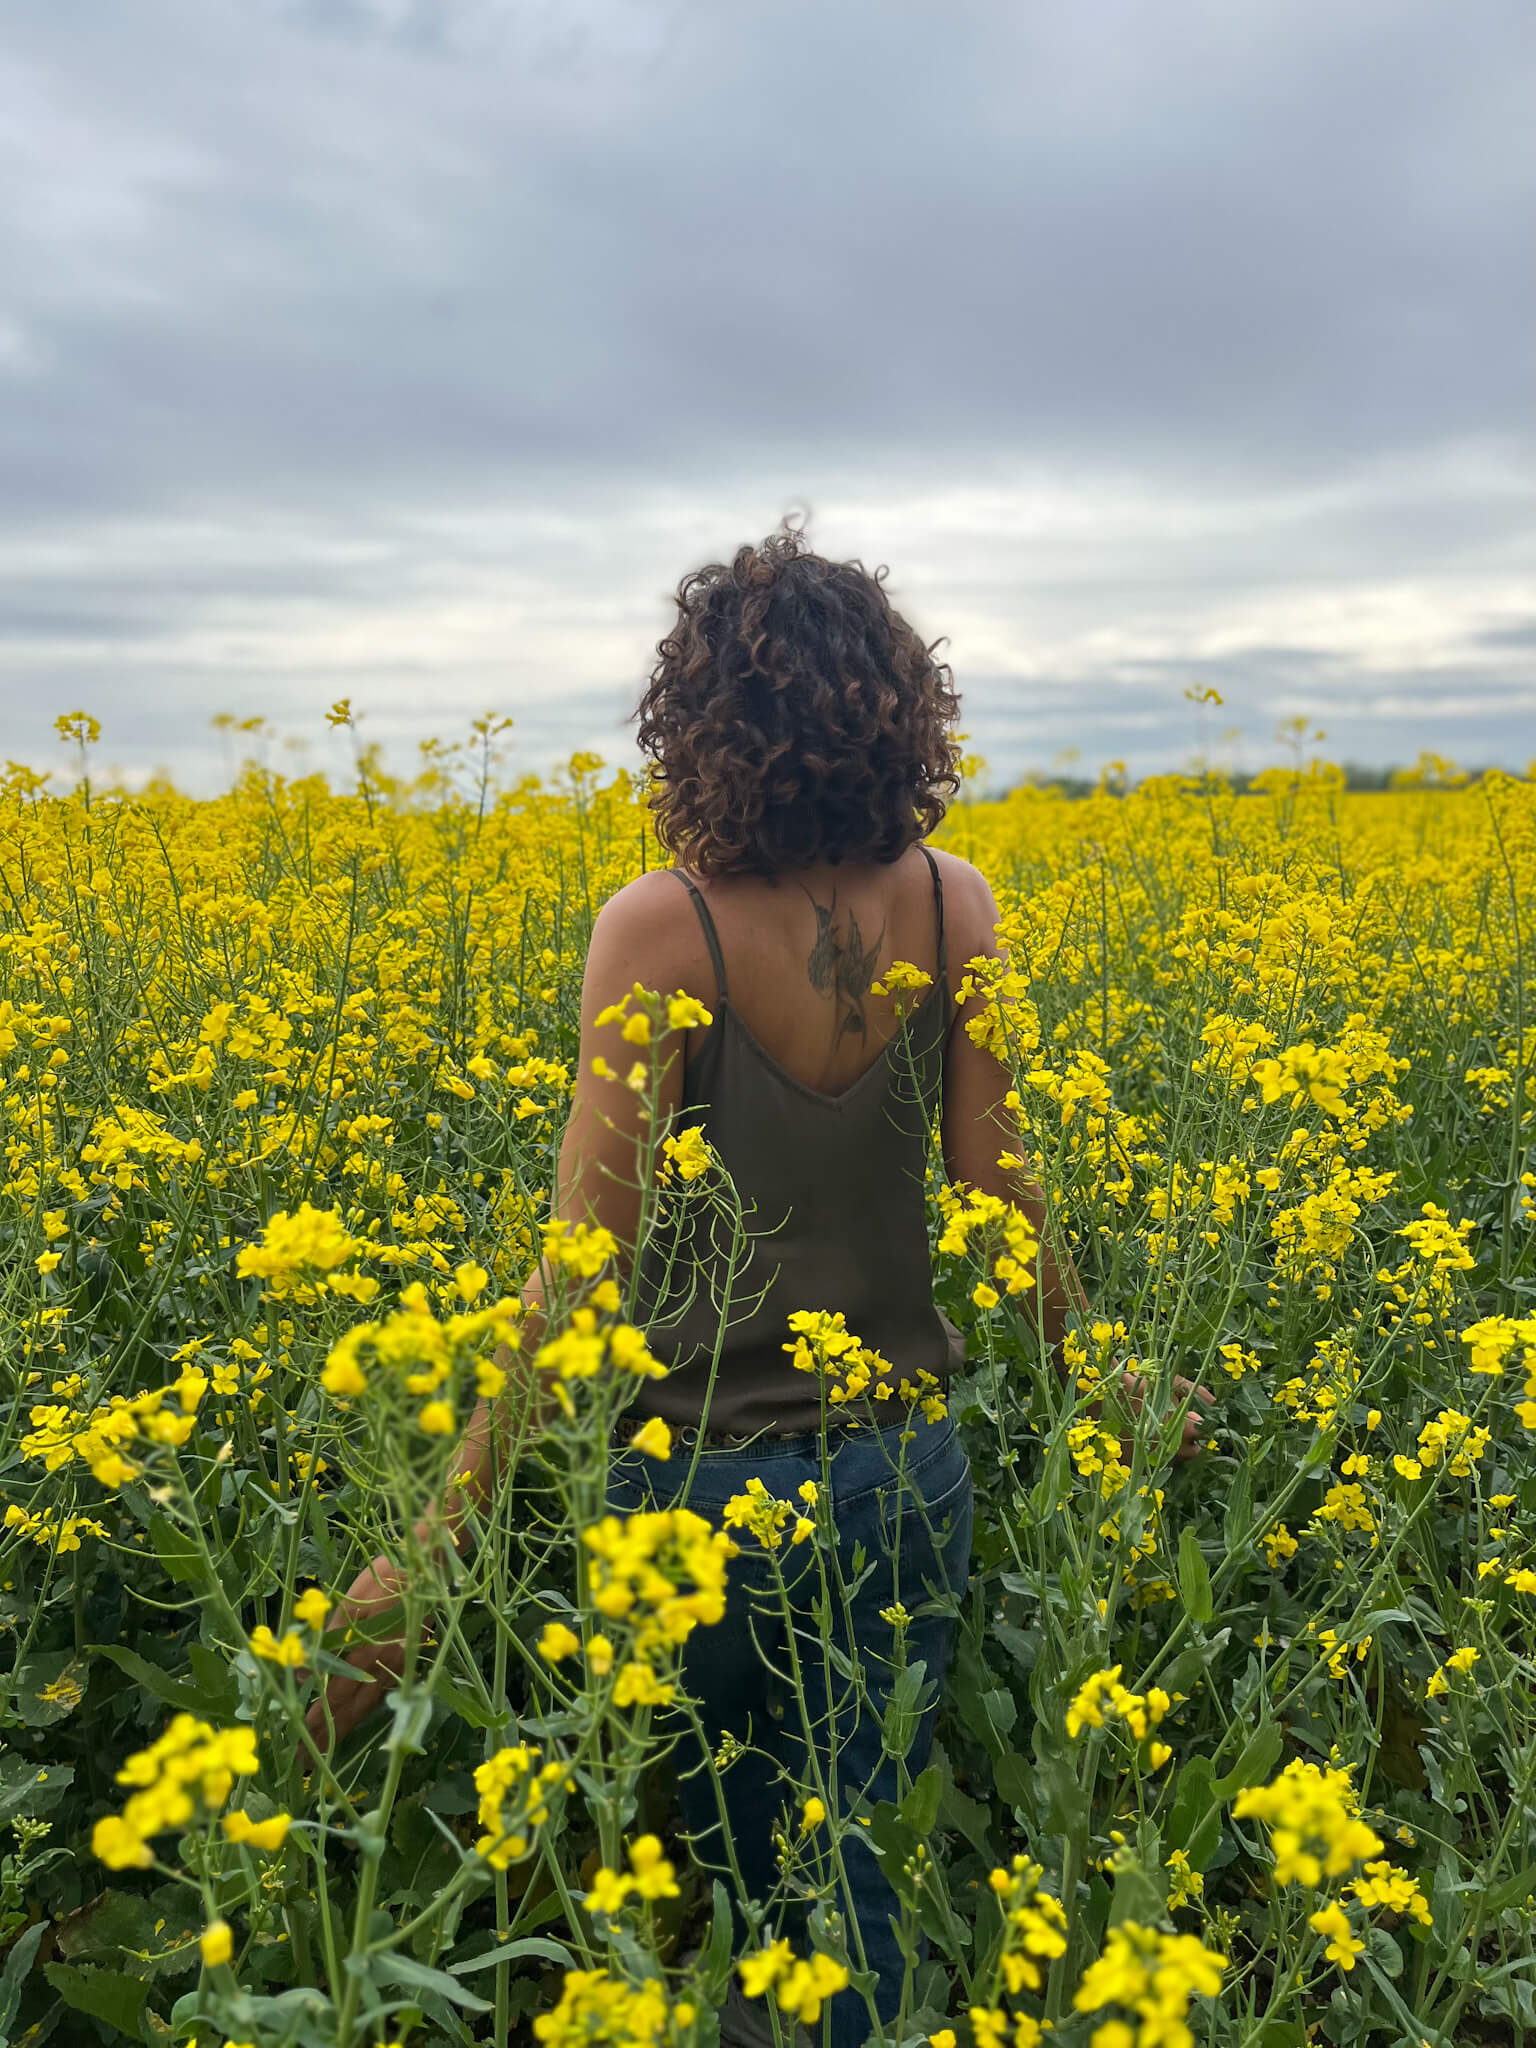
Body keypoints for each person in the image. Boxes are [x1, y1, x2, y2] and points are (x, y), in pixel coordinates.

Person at [306, 524, 1212, 2046]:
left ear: (701, 718)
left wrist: (438, 1532)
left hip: (699, 1487)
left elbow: (579, 1266)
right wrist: (1103, 1376)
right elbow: (1004, 1202)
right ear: (895, 708)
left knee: (728, 1883)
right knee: (863, 1868)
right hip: (904, 1474)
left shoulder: (664, 926)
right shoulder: (955, 903)